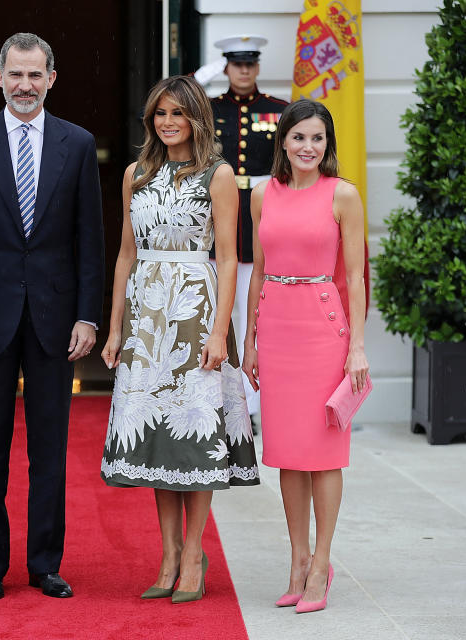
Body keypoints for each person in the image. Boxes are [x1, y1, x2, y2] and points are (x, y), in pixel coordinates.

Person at [0, 32, 104, 601]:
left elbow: (91, 237)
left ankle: (45, 564)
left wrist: (89, 315)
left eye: (35, 75)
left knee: (49, 450)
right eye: (15, 74)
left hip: (54, 319)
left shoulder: (78, 143)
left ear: (52, 79)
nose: (25, 85)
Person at [100, 75, 260, 604]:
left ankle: (194, 552)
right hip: (146, 317)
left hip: (196, 311)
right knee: (157, 440)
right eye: (159, 115)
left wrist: (220, 332)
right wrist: (116, 326)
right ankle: (167, 554)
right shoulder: (135, 174)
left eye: (178, 113)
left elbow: (229, 258)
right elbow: (125, 254)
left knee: (195, 437)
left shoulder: (218, 174)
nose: (168, 123)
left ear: (196, 118)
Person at [241, 99, 368, 613]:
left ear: (327, 143)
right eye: (298, 138)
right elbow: (257, 269)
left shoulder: (343, 195)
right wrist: (248, 340)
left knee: (323, 453)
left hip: (323, 329)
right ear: (283, 143)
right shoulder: (260, 194)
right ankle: (296, 560)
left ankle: (322, 564)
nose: (308, 147)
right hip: (275, 329)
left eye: (317, 138)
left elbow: (356, 277)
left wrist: (357, 345)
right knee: (288, 454)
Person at [195, 34, 289, 422]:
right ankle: (222, 400)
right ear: (226, 67)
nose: (244, 70)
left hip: (262, 219)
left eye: (250, 64)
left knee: (257, 316)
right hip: (220, 220)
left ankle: (252, 405)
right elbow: (158, 115)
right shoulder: (209, 109)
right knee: (220, 315)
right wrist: (197, 82)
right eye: (236, 64)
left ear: (258, 67)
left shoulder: (278, 109)